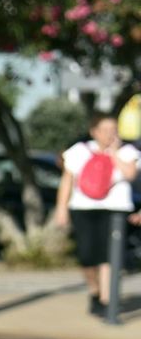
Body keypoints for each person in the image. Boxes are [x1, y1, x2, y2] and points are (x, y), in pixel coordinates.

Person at [53, 113, 137, 315]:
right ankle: (94, 290)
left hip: (115, 211)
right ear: (94, 132)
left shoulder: (127, 151)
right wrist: (61, 209)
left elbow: (130, 174)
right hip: (84, 209)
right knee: (87, 255)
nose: (110, 134)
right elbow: (67, 181)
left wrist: (114, 153)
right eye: (105, 130)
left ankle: (106, 301)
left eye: (114, 129)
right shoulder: (79, 151)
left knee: (109, 255)